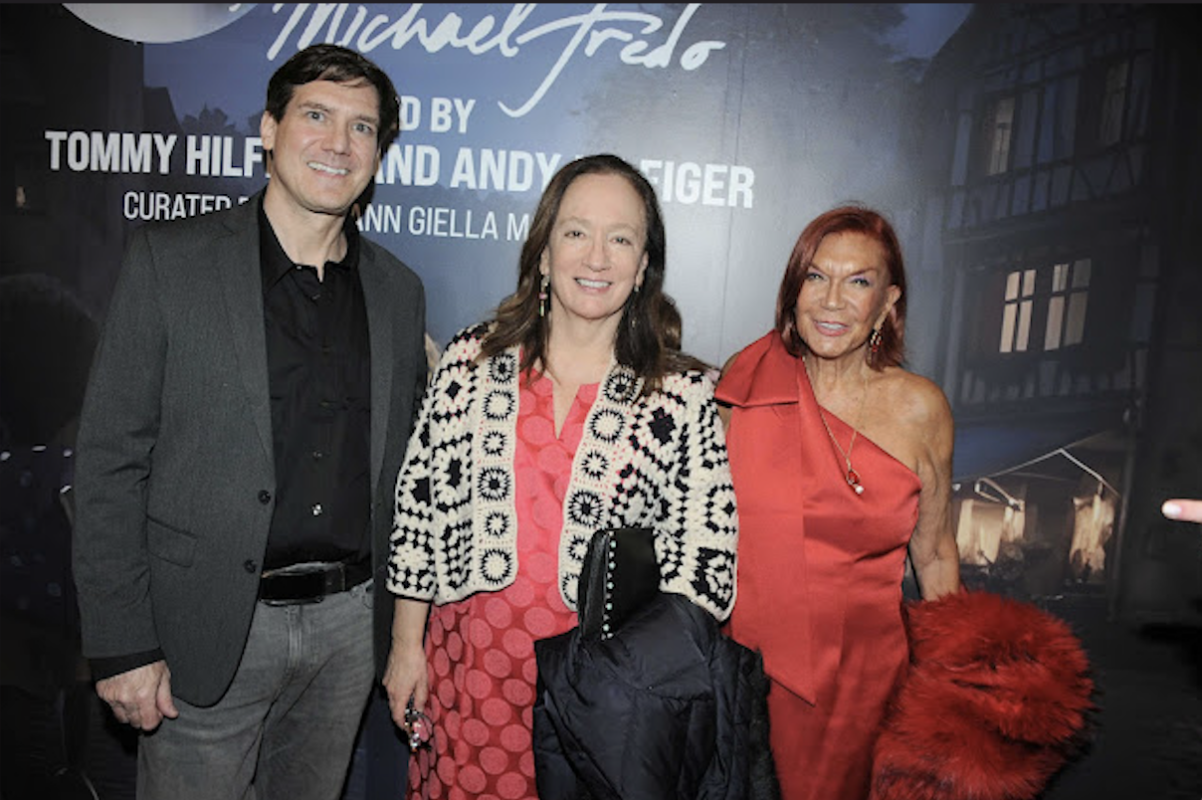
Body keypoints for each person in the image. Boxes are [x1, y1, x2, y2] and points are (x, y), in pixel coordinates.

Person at [71, 44, 428, 800]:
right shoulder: (172, 262)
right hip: (204, 629)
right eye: (317, 115)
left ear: (378, 154)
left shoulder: (398, 293)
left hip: (347, 632)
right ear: (269, 128)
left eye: (362, 127)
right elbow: (109, 460)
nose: (339, 143)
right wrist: (122, 643)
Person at [384, 153, 739, 799]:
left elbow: (706, 567)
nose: (596, 257)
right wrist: (406, 646)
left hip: (606, 713)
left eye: (620, 239)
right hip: (468, 683)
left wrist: (636, 680)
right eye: (576, 232)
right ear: (544, 254)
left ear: (643, 267)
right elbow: (418, 513)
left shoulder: (682, 396)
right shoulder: (469, 361)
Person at [714, 204, 962, 800]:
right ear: (793, 290)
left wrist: (954, 689)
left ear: (888, 302)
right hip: (745, 670)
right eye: (816, 277)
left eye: (858, 282)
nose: (831, 302)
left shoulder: (921, 408)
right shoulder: (745, 382)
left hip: (863, 686)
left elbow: (934, 556)